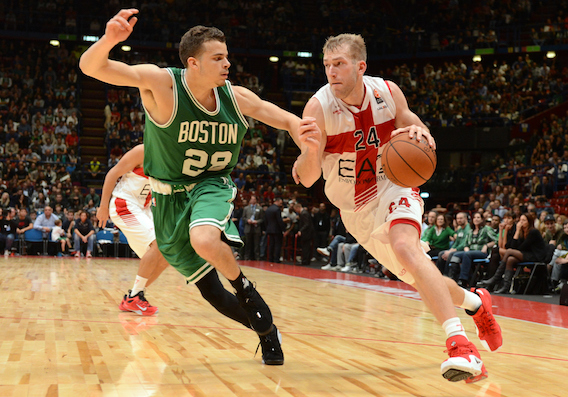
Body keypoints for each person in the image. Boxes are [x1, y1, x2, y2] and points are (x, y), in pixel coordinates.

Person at [79, 8, 307, 365]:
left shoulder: (236, 97)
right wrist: (108, 39)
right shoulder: (161, 84)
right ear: (193, 63)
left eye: (227, 56)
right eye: (218, 58)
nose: (227, 64)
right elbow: (92, 68)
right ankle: (266, 331)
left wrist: (303, 138)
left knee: (204, 240)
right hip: (168, 201)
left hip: (210, 186)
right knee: (211, 292)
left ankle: (245, 286)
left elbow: (286, 119)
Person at [292, 33, 502, 382]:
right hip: (356, 209)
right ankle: (476, 303)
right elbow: (310, 177)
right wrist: (310, 153)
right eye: (327, 65)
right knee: (417, 275)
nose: (331, 72)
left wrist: (421, 132)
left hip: (393, 184)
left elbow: (410, 121)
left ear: (360, 66)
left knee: (406, 247)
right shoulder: (318, 107)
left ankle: (461, 345)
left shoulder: (386, 93)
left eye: (339, 64)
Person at [97, 144, 169, 316]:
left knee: (168, 253)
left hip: (143, 208)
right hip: (124, 204)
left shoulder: (173, 155)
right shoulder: (143, 151)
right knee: (158, 244)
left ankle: (133, 296)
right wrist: (103, 206)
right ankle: (135, 297)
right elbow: (112, 174)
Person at [242, 195, 264, 261]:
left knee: (256, 244)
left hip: (256, 228)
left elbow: (262, 219)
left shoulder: (260, 208)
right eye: (252, 199)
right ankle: (247, 257)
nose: (253, 200)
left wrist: (256, 221)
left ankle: (257, 257)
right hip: (248, 227)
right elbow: (243, 218)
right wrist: (247, 220)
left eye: (254, 199)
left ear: (256, 200)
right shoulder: (246, 208)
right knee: (248, 243)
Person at [264, 197, 286, 263]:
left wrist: (266, 228)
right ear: (277, 201)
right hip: (277, 230)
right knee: (277, 245)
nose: (281, 204)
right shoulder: (277, 209)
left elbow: (265, 220)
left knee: (271, 244)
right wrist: (283, 229)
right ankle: (276, 258)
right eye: (280, 203)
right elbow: (279, 220)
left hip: (269, 229)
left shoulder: (268, 209)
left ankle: (270, 258)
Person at [294, 202, 315, 266]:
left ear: (298, 208)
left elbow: (306, 224)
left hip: (307, 233)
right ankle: (306, 260)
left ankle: (305, 261)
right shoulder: (304, 213)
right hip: (307, 233)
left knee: (306, 247)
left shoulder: (304, 213)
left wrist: (301, 230)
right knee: (306, 247)